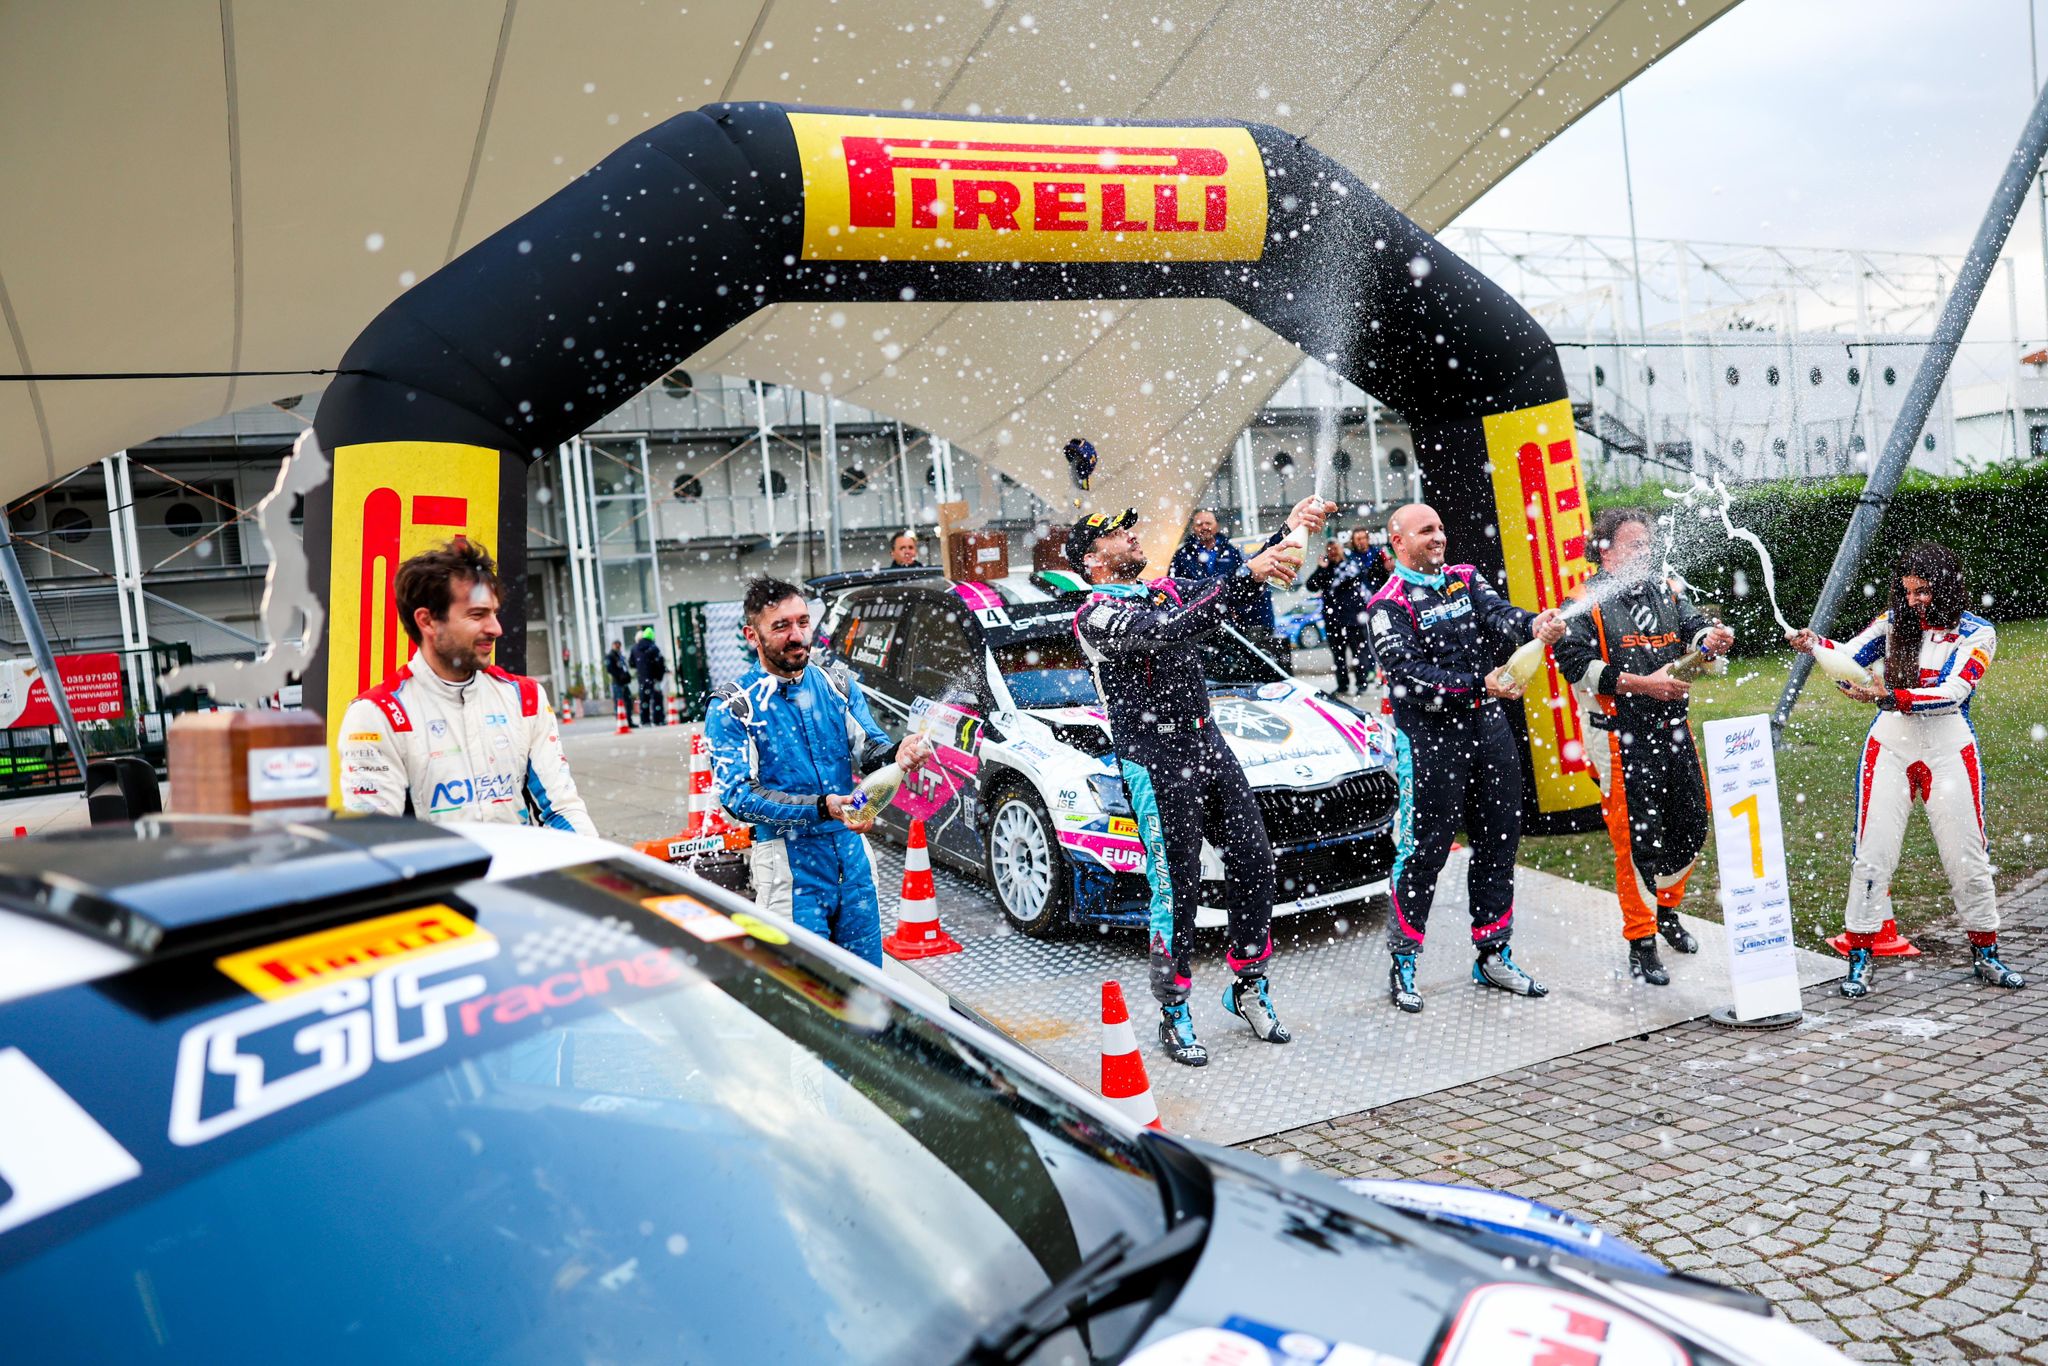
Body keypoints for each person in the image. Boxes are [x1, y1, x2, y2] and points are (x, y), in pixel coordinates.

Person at [1072, 496, 1331, 1066]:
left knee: (1255, 861)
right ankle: (1174, 1008)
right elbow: (1171, 629)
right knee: (1178, 886)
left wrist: (1289, 530)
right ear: (1092, 559)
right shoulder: (1094, 615)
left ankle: (1249, 987)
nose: (1133, 535)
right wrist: (1247, 573)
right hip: (1154, 756)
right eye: (1117, 532)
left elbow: (1228, 585)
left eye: (1130, 527)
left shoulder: (1163, 588)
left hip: (1206, 741)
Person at [1788, 541, 2023, 998]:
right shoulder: (1892, 622)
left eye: (1924, 591)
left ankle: (1986, 953)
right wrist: (1815, 644)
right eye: (1908, 591)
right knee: (1872, 854)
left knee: (1967, 857)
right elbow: (1850, 656)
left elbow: (1953, 692)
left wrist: (1890, 697)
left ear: (1947, 587)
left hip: (1949, 748)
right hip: (1890, 746)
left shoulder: (1979, 633)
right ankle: (1859, 956)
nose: (1914, 600)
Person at [1366, 503, 1565, 1012]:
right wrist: (1481, 684)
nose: (1438, 537)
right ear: (1398, 540)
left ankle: (1493, 953)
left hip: (1489, 730)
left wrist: (1534, 624)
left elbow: (1500, 614)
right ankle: (1404, 961)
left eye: (1440, 528)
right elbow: (1408, 674)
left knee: (1499, 842)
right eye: (1425, 530)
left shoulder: (1464, 577)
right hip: (1430, 742)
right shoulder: (1387, 604)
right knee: (1424, 853)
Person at [703, 577, 931, 966]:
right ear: (752, 635)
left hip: (852, 859)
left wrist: (899, 753)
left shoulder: (837, 684)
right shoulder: (733, 705)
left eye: (803, 622)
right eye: (781, 626)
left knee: (866, 985)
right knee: (806, 990)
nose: (797, 635)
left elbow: (869, 749)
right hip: (787, 866)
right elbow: (738, 797)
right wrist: (823, 807)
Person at [1553, 508, 1735, 987]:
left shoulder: (1667, 588)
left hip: (1673, 726)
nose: (1646, 552)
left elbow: (1694, 628)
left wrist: (1711, 639)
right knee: (1637, 841)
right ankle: (1641, 940)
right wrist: (1643, 684)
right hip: (1618, 735)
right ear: (1606, 550)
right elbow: (1575, 667)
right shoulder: (1583, 600)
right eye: (1636, 544)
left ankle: (1666, 910)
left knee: (1691, 824)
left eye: (1648, 544)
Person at [339, 538, 595, 834]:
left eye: (494, 613)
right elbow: (376, 839)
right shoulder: (377, 714)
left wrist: (594, 861)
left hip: (517, 865)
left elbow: (563, 810)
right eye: (477, 615)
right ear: (428, 621)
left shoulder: (525, 698)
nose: (496, 628)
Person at [1170, 508, 1286, 665]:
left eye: (1208, 523)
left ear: (1216, 526)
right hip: (1197, 621)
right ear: (1193, 528)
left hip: (1229, 621)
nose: (1204, 527)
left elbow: (1242, 581)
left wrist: (1237, 611)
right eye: (1199, 524)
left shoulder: (1231, 552)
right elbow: (1174, 588)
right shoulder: (1182, 555)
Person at [1306, 526, 1391, 697]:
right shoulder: (1326, 570)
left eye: (1335, 549)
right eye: (1329, 550)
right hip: (1333, 620)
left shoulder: (1352, 565)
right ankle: (1343, 685)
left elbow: (1366, 581)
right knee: (1338, 656)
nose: (1333, 553)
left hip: (1353, 618)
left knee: (1358, 653)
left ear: (1341, 549)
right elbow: (1311, 586)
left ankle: (1361, 683)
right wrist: (1321, 568)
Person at [630, 626, 667, 726]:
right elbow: (660, 663)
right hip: (654, 679)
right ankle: (658, 720)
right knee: (657, 699)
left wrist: (641, 668)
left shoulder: (635, 648)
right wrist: (659, 676)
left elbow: (632, 663)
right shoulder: (654, 648)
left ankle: (645, 720)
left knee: (644, 700)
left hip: (642, 678)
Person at [605, 639, 635, 728]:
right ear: (613, 645)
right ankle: (621, 722)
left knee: (628, 702)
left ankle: (628, 720)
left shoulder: (620, 655)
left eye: (619, 645)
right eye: (616, 645)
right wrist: (619, 675)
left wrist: (626, 676)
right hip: (617, 682)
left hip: (624, 682)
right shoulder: (610, 656)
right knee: (620, 702)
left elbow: (624, 667)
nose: (618, 647)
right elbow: (609, 669)